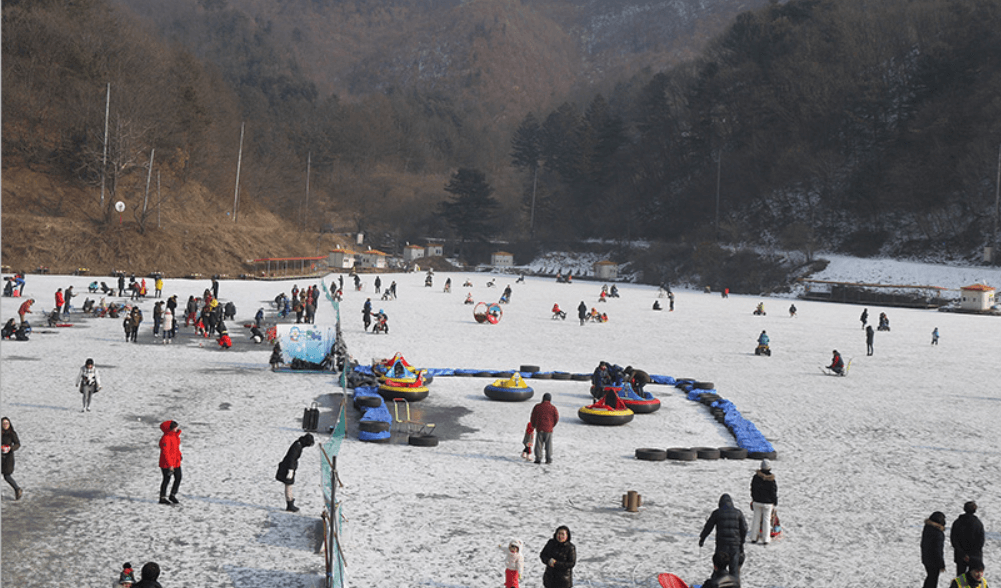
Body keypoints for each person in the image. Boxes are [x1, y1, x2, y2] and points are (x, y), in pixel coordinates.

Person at [699, 494, 747, 580]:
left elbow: (708, 527)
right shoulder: (738, 513)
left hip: (721, 545)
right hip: (735, 546)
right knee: (734, 570)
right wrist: (741, 543)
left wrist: (702, 538)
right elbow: (744, 529)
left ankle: (715, 584)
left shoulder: (717, 513)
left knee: (719, 568)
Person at [276, 433, 314, 512]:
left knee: (289, 485)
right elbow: (292, 458)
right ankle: (290, 503)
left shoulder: (298, 444)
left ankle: (290, 502)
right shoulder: (297, 447)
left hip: (289, 467)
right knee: (288, 485)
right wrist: (290, 470)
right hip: (287, 468)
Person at [951, 501, 984, 576]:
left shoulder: (957, 522)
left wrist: (963, 553)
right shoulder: (978, 523)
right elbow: (980, 542)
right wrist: (972, 555)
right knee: (973, 578)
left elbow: (954, 540)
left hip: (960, 556)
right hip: (974, 556)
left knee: (960, 577)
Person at [750, 459, 777, 545]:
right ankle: (766, 539)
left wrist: (753, 498)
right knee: (766, 520)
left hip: (757, 501)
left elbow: (752, 489)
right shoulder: (771, 479)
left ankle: (754, 537)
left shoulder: (756, 477)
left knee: (756, 519)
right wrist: (774, 501)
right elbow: (773, 492)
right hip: (767, 503)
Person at [529, 393, 559, 464]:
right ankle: (548, 459)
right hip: (548, 429)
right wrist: (552, 425)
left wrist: (533, 425)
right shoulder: (553, 408)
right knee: (548, 445)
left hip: (540, 428)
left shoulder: (537, 406)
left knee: (539, 444)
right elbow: (556, 418)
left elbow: (533, 417)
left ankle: (538, 458)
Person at [158, 420, 183, 505]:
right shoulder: (166, 438)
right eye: (175, 427)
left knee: (178, 477)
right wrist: (170, 465)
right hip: (167, 464)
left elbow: (176, 448)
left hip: (175, 461)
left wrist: (179, 456)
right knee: (166, 479)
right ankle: (162, 497)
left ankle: (172, 494)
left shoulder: (174, 436)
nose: (177, 428)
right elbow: (166, 452)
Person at [923, 511, 948, 588]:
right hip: (934, 561)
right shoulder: (938, 533)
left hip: (926, 558)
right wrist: (941, 564)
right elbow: (938, 550)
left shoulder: (927, 528)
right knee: (932, 581)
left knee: (930, 578)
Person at [2, 417, 23, 500]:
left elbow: (18, 444)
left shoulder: (12, 433)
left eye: (7, 423)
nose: (5, 425)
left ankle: (17, 489)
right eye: (4, 424)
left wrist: (10, 448)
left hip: (8, 458)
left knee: (7, 476)